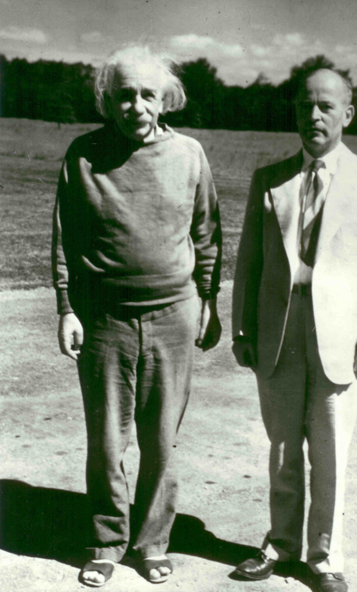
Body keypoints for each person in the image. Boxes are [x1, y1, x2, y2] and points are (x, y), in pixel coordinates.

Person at [52, 45, 222, 587]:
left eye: (147, 94)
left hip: (174, 314)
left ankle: (151, 541)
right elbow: (63, 239)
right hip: (104, 320)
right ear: (108, 98)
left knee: (161, 439)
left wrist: (210, 302)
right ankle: (105, 541)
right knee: (106, 439)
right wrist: (66, 308)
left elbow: (208, 235)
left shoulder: (191, 154)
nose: (135, 104)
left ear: (165, 98)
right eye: (123, 94)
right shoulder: (82, 155)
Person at [231, 67, 357, 592]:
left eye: (326, 106)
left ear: (348, 114)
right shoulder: (270, 179)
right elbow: (249, 262)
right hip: (278, 331)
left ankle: (324, 558)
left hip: (340, 337)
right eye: (305, 106)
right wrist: (241, 329)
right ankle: (280, 545)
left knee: (329, 450)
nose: (314, 116)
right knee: (282, 445)